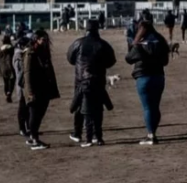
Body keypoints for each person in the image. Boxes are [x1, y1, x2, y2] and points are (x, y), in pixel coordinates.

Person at [66, 19, 117, 147]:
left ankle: (78, 132)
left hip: (80, 79)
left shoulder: (78, 43)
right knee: (98, 108)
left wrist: (79, 65)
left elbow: (70, 57)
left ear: (86, 29)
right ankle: (96, 135)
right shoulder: (103, 44)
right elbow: (111, 60)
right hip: (98, 79)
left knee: (80, 105)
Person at [125, 21, 170, 145]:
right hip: (159, 76)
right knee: (155, 106)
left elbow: (128, 59)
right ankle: (153, 132)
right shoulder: (160, 41)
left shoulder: (139, 42)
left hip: (144, 76)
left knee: (147, 107)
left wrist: (132, 44)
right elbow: (165, 62)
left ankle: (151, 135)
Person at [21, 30, 60, 150]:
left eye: (46, 39)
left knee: (39, 114)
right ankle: (34, 138)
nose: (45, 42)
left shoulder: (43, 52)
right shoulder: (30, 53)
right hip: (34, 88)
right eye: (43, 39)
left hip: (44, 88)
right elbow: (27, 73)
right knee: (34, 113)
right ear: (36, 39)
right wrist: (30, 91)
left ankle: (34, 136)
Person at [0, 35, 17, 103]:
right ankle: (9, 93)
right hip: (11, 66)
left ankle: (6, 93)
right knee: (12, 81)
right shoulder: (12, 48)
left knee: (5, 82)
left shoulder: (1, 49)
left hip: (3, 67)